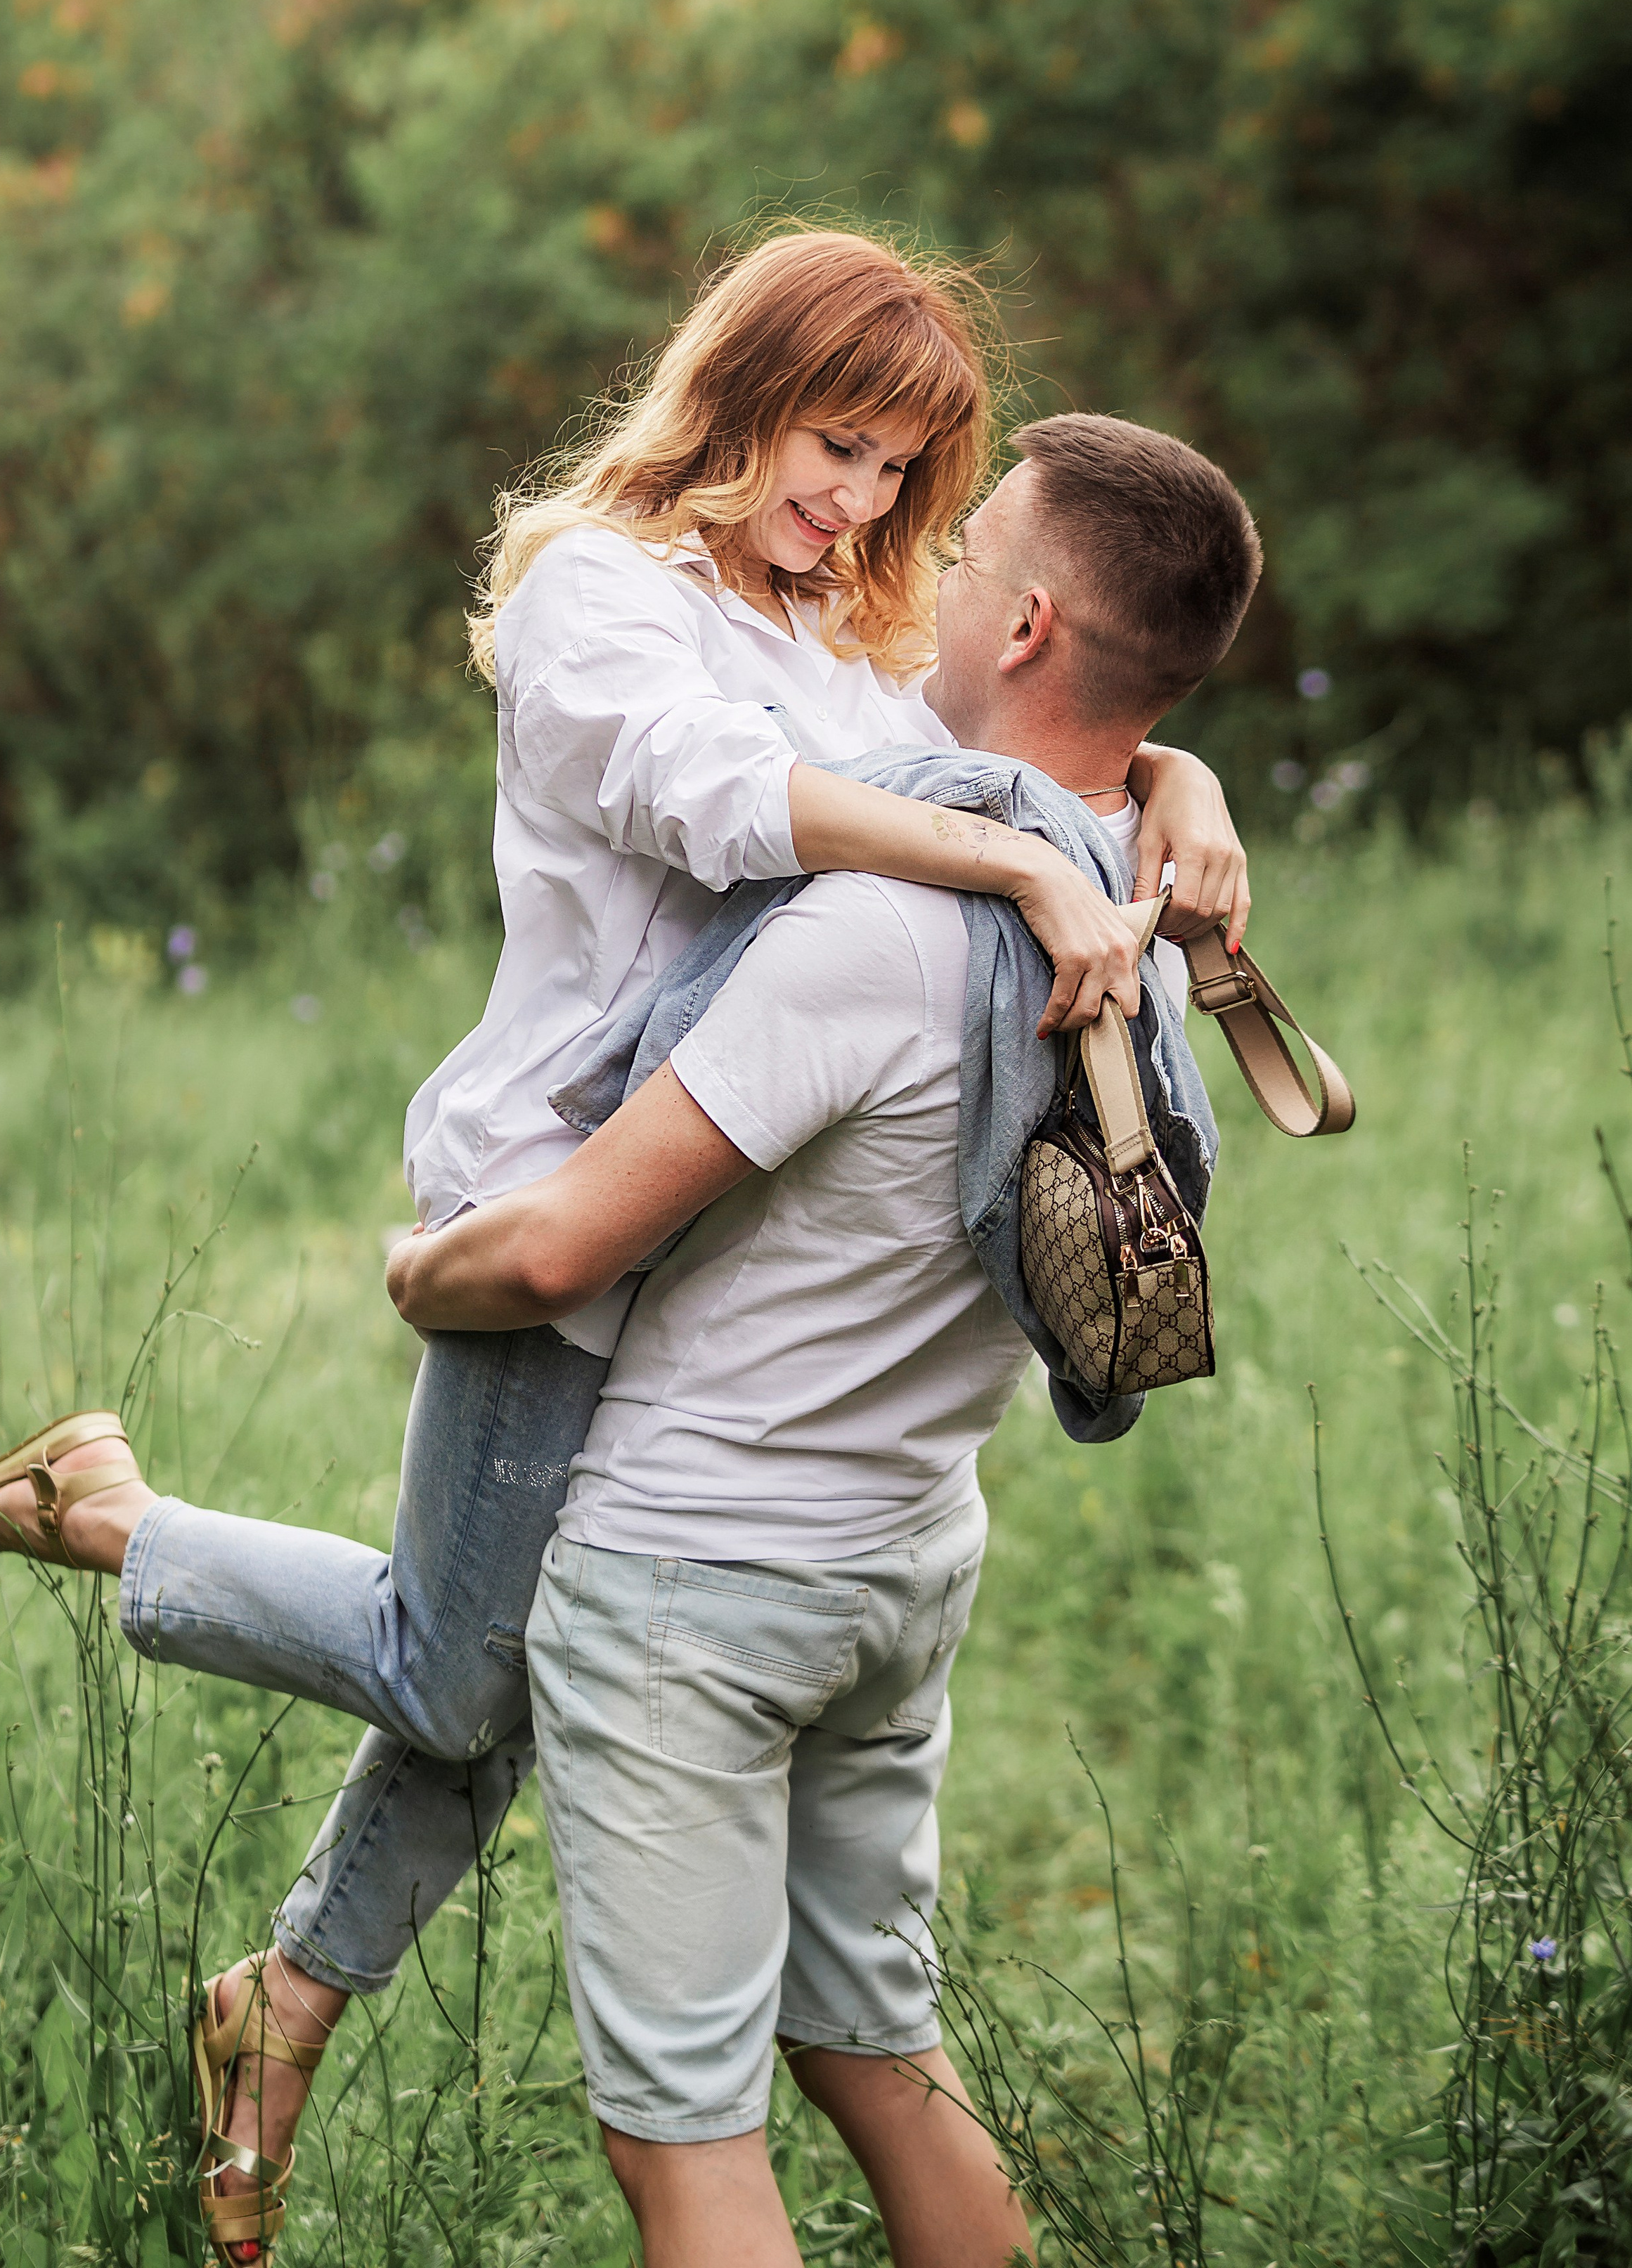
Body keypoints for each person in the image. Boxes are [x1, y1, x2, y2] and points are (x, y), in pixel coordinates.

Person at [0, 232, 1248, 2265]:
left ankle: (269, 2007)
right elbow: (726, 803)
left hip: (688, 1222)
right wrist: (1000, 849)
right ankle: (110, 1523)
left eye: (905, 473)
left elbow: (1038, 713)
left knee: (517, 1670)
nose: (865, 507)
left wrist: (1176, 776)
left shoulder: (831, 626)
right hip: (566, 1204)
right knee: (464, 1670)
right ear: (734, 393)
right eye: (837, 445)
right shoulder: (598, 598)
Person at [382, 413, 1264, 2267]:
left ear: (1023, 625)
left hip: (698, 1583)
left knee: (690, 2152)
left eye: (960, 560)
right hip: (903, 1562)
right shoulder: (1138, 920)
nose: (913, 576)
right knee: (882, 2064)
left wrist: (416, 1273)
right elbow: (1092, 762)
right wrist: (1181, 779)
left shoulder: (874, 931)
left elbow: (559, 1250)